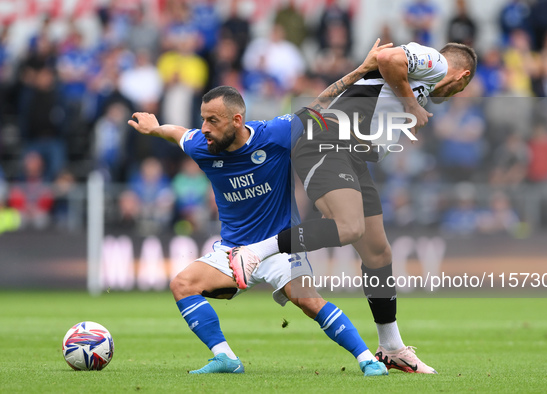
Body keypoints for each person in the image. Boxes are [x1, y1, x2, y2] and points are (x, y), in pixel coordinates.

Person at [127, 41, 392, 376]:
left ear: (236, 120)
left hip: (280, 245)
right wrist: (154, 128)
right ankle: (225, 357)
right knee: (182, 284)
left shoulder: (275, 135)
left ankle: (367, 358)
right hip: (233, 249)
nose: (205, 128)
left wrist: (362, 70)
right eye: (203, 120)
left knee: (308, 300)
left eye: (213, 120)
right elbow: (177, 133)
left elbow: (321, 103)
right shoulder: (202, 146)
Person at [230, 41, 477, 374]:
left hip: (352, 154)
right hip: (328, 140)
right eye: (462, 88)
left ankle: (391, 347)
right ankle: (254, 253)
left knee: (378, 254)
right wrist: (412, 106)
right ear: (463, 76)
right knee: (349, 227)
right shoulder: (436, 64)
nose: (456, 93)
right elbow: (389, 57)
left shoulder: (420, 81)